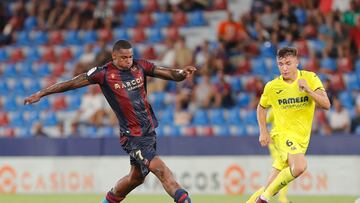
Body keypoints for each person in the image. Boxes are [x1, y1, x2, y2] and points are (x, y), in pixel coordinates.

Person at [24, 39, 196, 203]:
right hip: (133, 136)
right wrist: (42, 93)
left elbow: (168, 73)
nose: (128, 61)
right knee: (163, 171)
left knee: (135, 179)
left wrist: (181, 73)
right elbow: (71, 83)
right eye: (124, 58)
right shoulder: (103, 73)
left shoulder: (140, 66)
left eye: (130, 56)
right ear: (114, 56)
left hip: (149, 131)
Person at [246, 47, 331, 203]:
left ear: (297, 62)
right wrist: (263, 131)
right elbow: (261, 107)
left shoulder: (310, 78)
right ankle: (264, 199)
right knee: (299, 166)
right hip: (281, 135)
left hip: (302, 139)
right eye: (280, 64)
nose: (284, 68)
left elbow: (326, 104)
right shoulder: (272, 86)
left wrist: (309, 91)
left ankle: (261, 197)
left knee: (271, 184)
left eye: (288, 63)